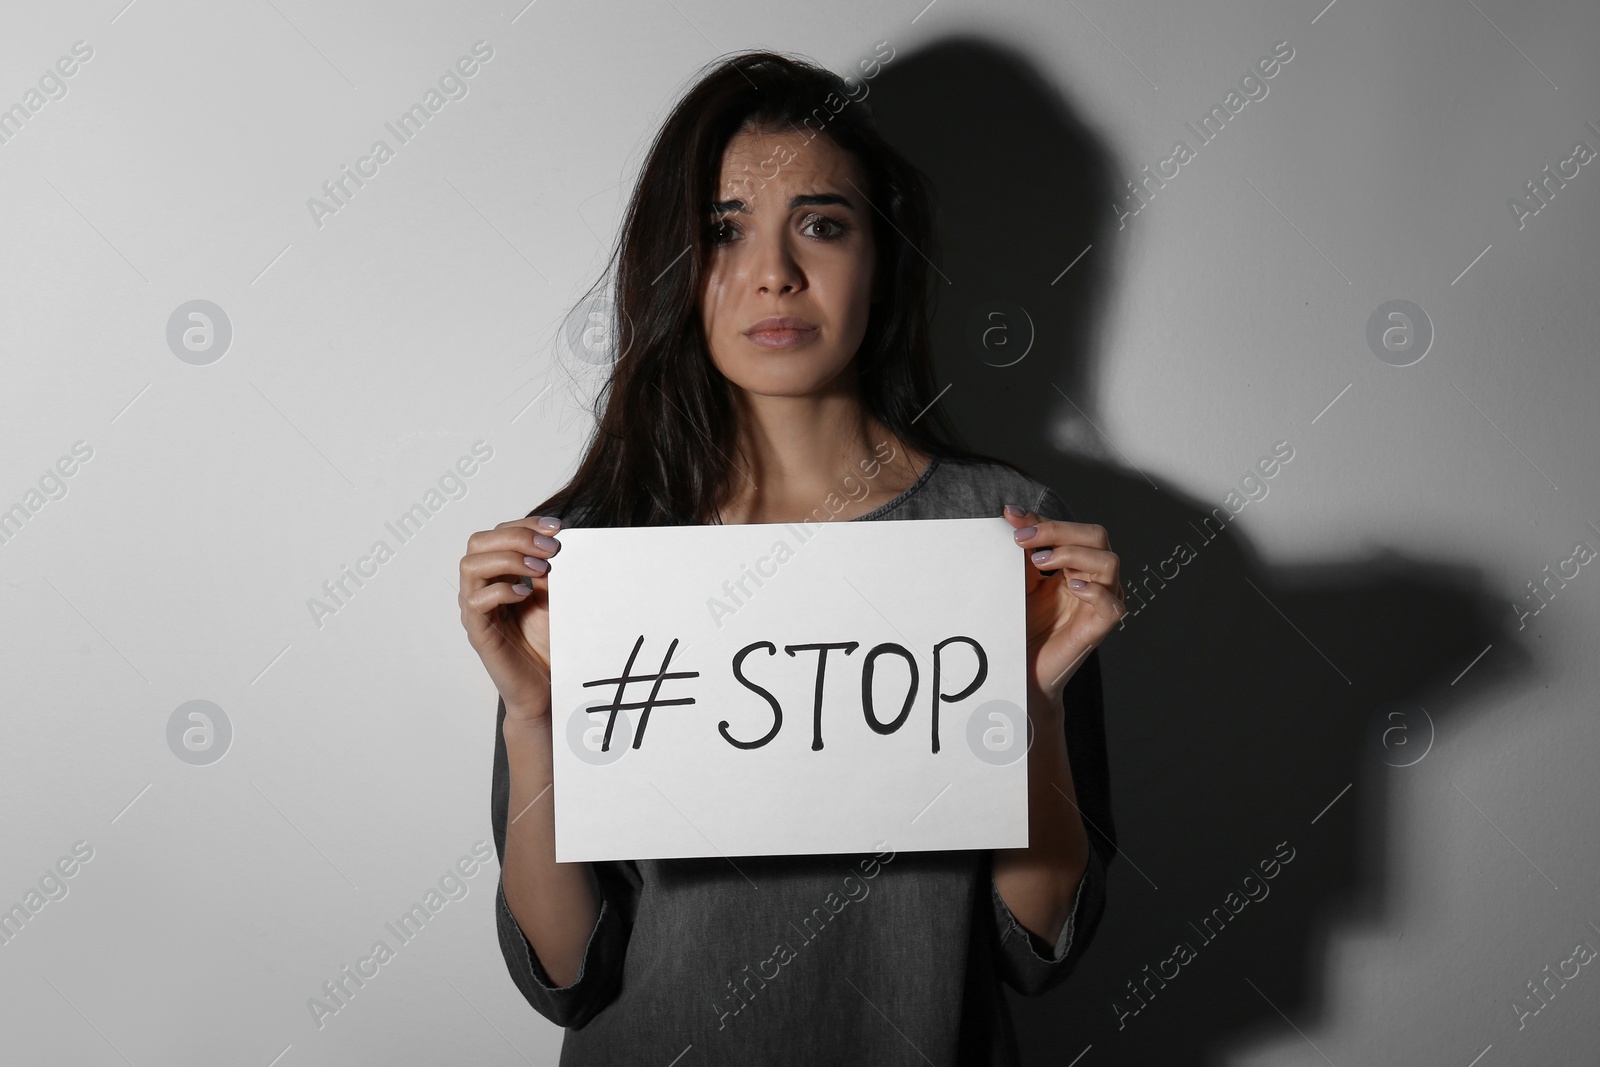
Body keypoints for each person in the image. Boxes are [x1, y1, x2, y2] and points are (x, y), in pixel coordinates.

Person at [456, 48, 1125, 1065]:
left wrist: (1027, 712)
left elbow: (1038, 944)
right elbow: (566, 972)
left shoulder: (1007, 537)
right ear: (677, 266)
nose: (774, 270)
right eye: (725, 229)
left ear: (881, 254)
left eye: (821, 223)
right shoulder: (589, 558)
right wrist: (532, 714)